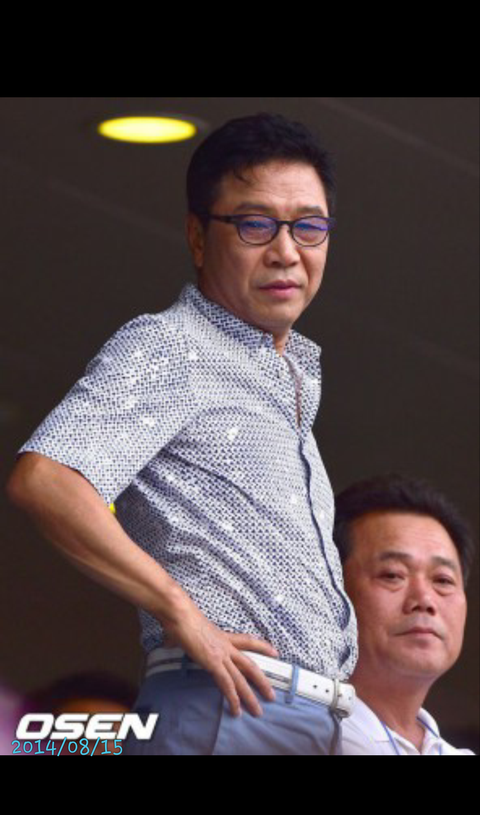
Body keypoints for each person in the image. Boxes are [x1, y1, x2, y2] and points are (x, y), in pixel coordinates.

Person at [7, 113, 357, 755]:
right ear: (198, 237)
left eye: (308, 226)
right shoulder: (174, 345)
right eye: (255, 224)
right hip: (231, 705)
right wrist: (181, 612)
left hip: (299, 719)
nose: (287, 251)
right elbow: (46, 478)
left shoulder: (288, 372)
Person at [333, 473, 475, 755]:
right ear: (334, 589)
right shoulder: (287, 737)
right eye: (392, 575)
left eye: (443, 580)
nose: (424, 600)